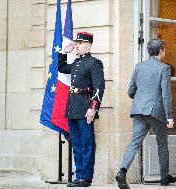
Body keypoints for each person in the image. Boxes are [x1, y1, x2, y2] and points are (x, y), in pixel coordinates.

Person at [115, 39, 176, 189]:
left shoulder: (139, 66)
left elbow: (131, 91)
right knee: (162, 144)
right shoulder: (164, 68)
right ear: (161, 50)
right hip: (156, 112)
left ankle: (122, 171)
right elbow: (166, 94)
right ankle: (164, 178)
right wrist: (170, 116)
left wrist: (141, 100)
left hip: (138, 110)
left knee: (134, 143)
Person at [58, 32, 105, 187]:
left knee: (87, 143)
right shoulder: (77, 63)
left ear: (89, 45)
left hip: (85, 108)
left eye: (80, 43)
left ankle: (86, 177)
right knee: (76, 144)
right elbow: (62, 68)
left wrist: (93, 109)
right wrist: (65, 52)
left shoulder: (94, 63)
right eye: (76, 43)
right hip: (72, 108)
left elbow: (99, 88)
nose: (77, 45)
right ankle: (79, 176)